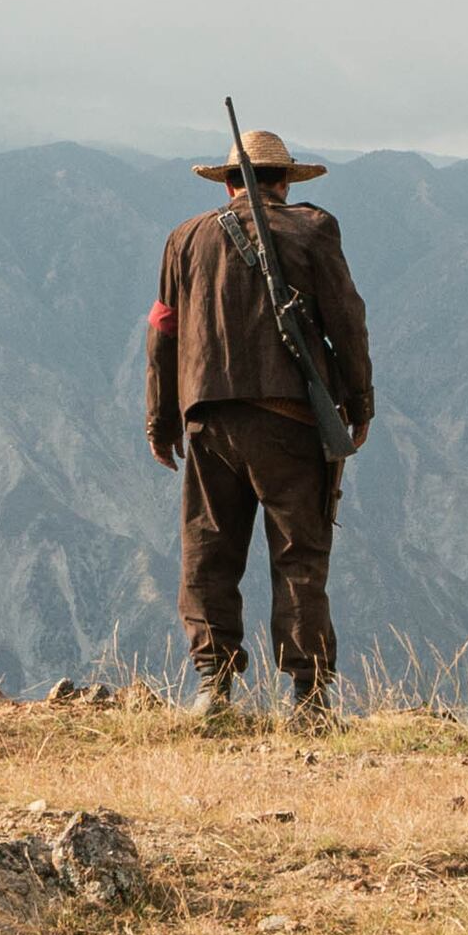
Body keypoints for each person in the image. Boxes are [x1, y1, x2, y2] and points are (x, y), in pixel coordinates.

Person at [146, 126, 374, 719]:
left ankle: (212, 687)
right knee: (298, 555)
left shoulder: (183, 240)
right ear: (285, 181)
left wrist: (160, 418)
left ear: (226, 184)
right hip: (290, 420)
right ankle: (309, 698)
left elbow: (163, 333)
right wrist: (359, 401)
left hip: (208, 422)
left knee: (208, 551)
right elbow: (346, 320)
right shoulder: (312, 230)